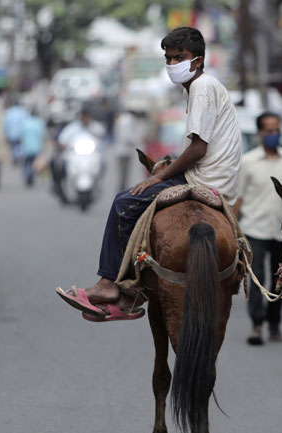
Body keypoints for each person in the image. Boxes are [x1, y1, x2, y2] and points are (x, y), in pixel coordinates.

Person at [55, 26, 242, 322]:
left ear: (197, 61)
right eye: (168, 59)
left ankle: (107, 285)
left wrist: (158, 177)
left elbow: (198, 149)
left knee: (123, 203)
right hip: (211, 176)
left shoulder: (203, 87)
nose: (172, 65)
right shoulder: (201, 88)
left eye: (179, 57)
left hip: (205, 180)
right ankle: (129, 292)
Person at [234, 112, 282, 345]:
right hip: (254, 229)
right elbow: (237, 199)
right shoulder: (247, 162)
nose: (273, 135)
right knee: (256, 278)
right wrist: (234, 232)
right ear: (260, 134)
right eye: (269, 131)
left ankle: (274, 322)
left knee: (281, 279)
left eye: (276, 130)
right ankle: (257, 324)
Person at [113, 99, 149, 190]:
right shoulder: (128, 120)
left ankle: (121, 190)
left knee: (123, 174)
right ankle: (121, 191)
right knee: (124, 174)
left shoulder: (122, 118)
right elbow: (127, 137)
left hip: (122, 150)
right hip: (124, 152)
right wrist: (138, 139)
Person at [20, 110, 46, 187]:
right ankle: (31, 175)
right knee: (34, 163)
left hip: (26, 148)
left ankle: (27, 175)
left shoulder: (25, 123)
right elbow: (43, 135)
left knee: (27, 163)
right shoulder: (39, 122)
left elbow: (21, 135)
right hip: (36, 147)